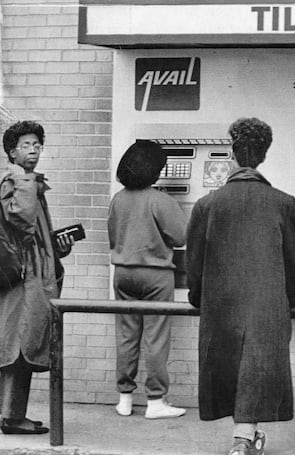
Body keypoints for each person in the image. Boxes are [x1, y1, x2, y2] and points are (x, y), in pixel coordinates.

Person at [186, 117, 295, 455]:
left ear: (231, 152)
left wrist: (199, 297)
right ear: (265, 155)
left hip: (220, 305)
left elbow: (193, 264)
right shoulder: (284, 203)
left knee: (228, 369)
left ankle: (243, 439)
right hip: (267, 306)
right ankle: (244, 439)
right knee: (257, 369)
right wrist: (290, 298)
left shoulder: (207, 205)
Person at [0, 121, 74, 434]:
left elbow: (35, 237)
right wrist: (25, 177)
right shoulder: (16, 180)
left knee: (20, 347)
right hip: (22, 281)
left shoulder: (26, 182)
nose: (34, 151)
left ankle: (10, 414)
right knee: (18, 349)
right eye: (26, 145)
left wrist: (59, 248)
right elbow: (21, 219)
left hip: (32, 278)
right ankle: (11, 418)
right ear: (11, 151)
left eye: (38, 145)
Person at [108, 140, 187, 419]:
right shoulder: (161, 200)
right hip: (155, 274)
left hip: (122, 273)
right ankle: (155, 402)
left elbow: (114, 235)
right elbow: (180, 237)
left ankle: (124, 399)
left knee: (127, 335)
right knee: (156, 337)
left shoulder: (118, 198)